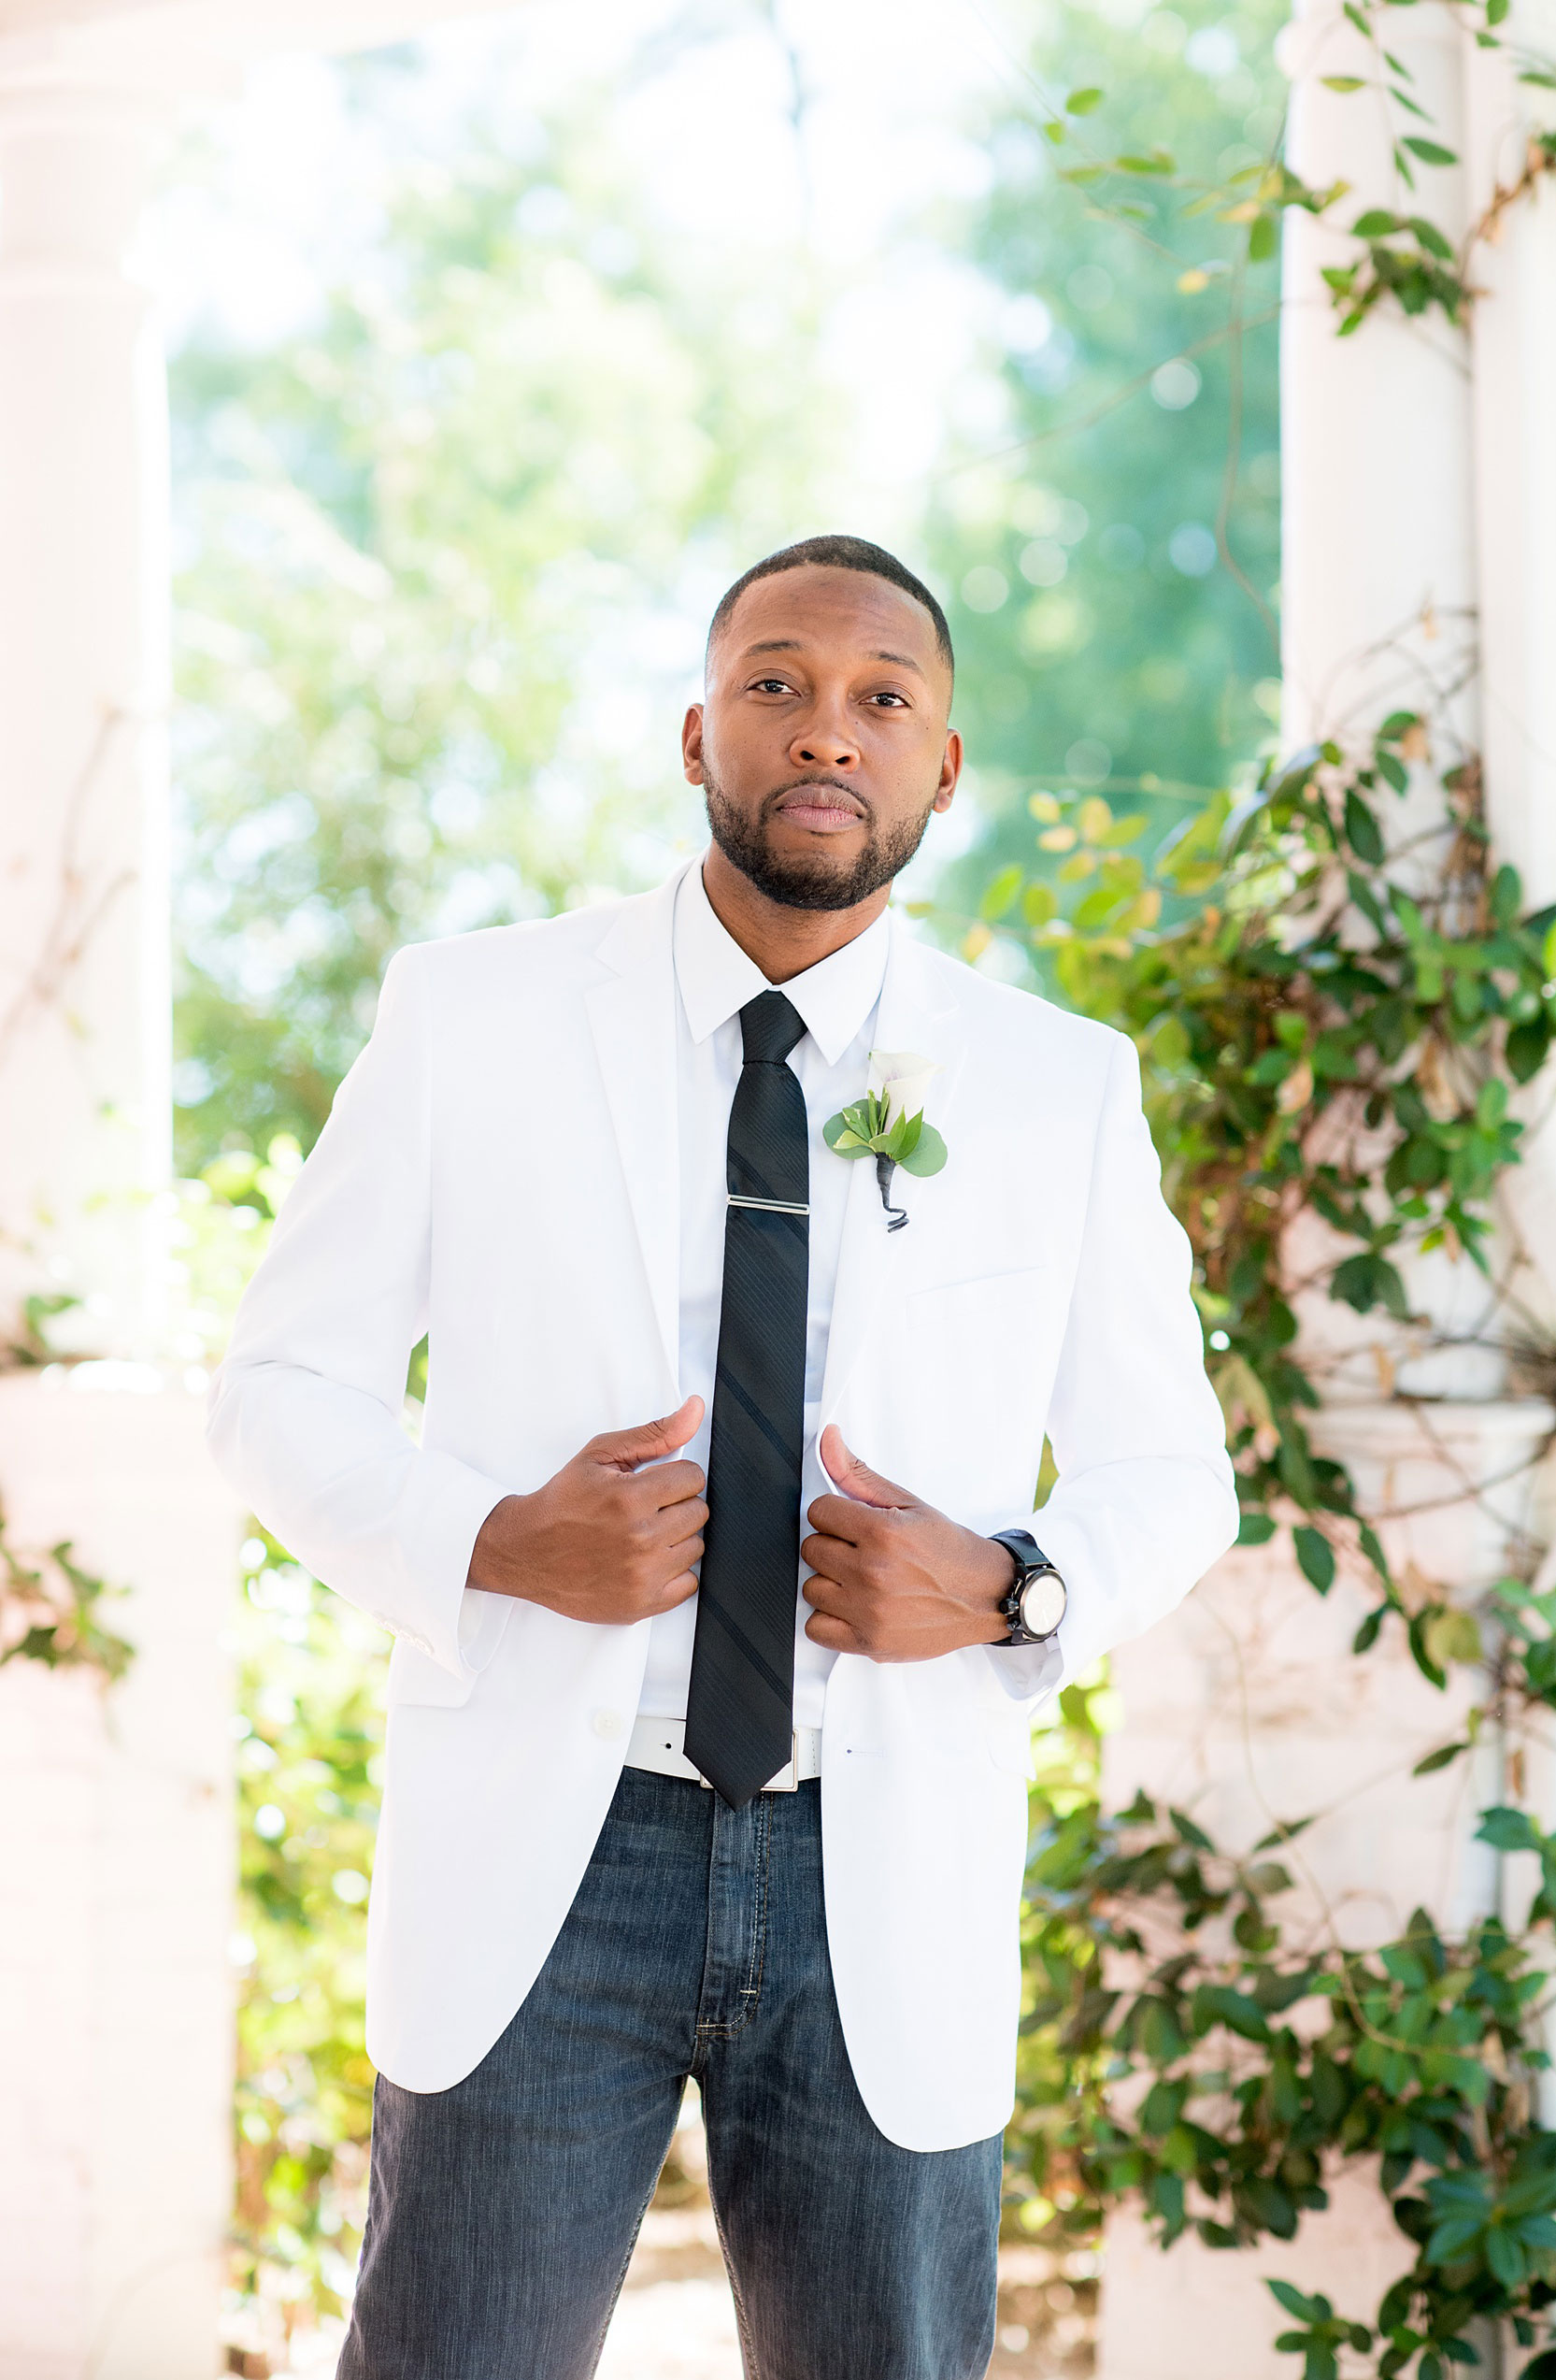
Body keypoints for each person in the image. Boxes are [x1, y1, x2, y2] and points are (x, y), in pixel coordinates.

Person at [208, 532, 1237, 2380]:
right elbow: (277, 1382)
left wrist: (1012, 1581)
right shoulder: (474, 1018)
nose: (822, 729)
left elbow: (1176, 1475)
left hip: (883, 1861)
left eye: (878, 698)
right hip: (554, 1836)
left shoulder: (1053, 1085)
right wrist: (491, 1542)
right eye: (773, 683)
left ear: (943, 764)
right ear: (695, 736)